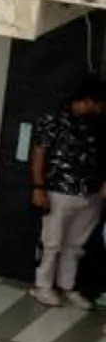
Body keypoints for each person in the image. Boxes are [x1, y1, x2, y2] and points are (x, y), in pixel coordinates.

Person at [30, 76, 106, 307]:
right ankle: (42, 285)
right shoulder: (53, 120)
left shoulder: (96, 124)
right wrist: (38, 187)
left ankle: (67, 285)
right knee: (52, 241)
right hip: (59, 189)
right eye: (101, 104)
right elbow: (39, 154)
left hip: (90, 192)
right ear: (89, 101)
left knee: (75, 244)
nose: (103, 109)